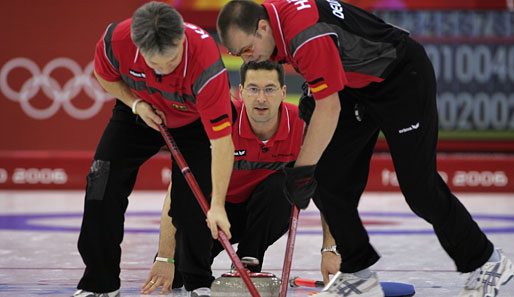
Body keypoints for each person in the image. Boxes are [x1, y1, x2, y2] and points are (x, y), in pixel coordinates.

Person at [216, 1, 514, 297]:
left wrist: (301, 169)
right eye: (237, 54)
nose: (245, 60)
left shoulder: (306, 34)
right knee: (326, 177)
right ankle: (358, 273)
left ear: (263, 27)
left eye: (245, 50)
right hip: (355, 85)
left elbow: (328, 107)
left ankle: (487, 261)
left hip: (399, 76)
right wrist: (308, 167)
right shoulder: (273, 19)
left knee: (419, 189)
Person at [73, 2, 236, 297]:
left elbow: (222, 141)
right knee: (100, 184)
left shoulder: (206, 61)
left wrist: (219, 206)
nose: (162, 69)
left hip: (193, 121)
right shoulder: (116, 40)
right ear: (137, 46)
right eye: (154, 63)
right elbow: (105, 75)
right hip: (139, 110)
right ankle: (100, 284)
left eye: (171, 61)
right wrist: (135, 103)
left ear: (181, 41)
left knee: (193, 205)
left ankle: (196, 281)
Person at [140, 61, 305, 296]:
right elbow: (178, 193)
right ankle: (192, 267)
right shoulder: (221, 121)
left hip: (258, 212)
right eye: (253, 89)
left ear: (283, 92)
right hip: (211, 215)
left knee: (282, 187)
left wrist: (330, 249)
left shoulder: (301, 123)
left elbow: (327, 184)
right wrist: (166, 256)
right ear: (241, 92)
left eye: (269, 89)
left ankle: (249, 263)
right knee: (179, 279)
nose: (261, 98)